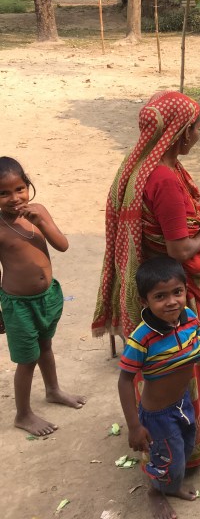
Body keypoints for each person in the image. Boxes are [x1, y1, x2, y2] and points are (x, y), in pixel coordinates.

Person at [93, 91, 200, 468]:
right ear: (182, 133)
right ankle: (178, 455)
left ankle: (161, 439)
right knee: (178, 366)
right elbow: (180, 249)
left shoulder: (139, 166)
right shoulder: (164, 179)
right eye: (196, 127)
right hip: (170, 287)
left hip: (151, 287)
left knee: (152, 368)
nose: (199, 133)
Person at [118, 256, 200, 519]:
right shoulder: (141, 338)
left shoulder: (189, 318)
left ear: (186, 290)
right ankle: (157, 491)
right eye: (160, 296)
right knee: (166, 458)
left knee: (185, 444)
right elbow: (125, 380)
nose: (172, 301)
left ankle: (172, 481)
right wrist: (134, 426)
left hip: (183, 402)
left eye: (177, 292)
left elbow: (196, 344)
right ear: (144, 301)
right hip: (157, 414)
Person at [0, 157, 86, 436]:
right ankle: (23, 415)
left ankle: (53, 390)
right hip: (18, 305)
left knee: (45, 347)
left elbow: (62, 245)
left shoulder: (38, 212)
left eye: (19, 189)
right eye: (3, 193)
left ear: (28, 186)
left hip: (48, 297)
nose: (15, 198)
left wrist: (41, 222)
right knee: (27, 359)